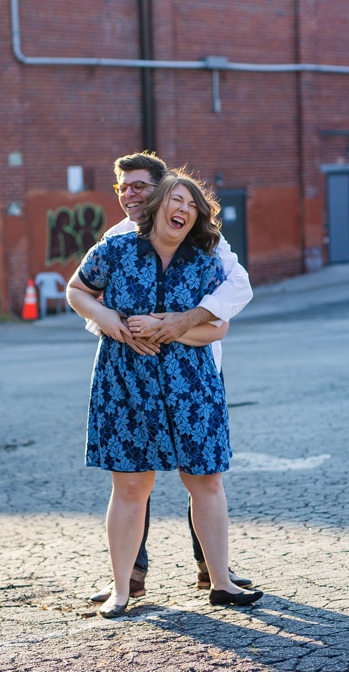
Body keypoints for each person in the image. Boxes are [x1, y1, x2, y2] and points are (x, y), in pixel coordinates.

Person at [67, 170, 263, 618]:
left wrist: (172, 328)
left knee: (206, 480)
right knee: (132, 484)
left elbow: (220, 325)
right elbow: (77, 290)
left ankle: (221, 582)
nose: (184, 209)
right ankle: (121, 589)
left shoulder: (206, 259)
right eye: (177, 200)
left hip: (193, 386)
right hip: (126, 384)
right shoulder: (114, 248)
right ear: (158, 206)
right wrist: (109, 320)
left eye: (192, 205)